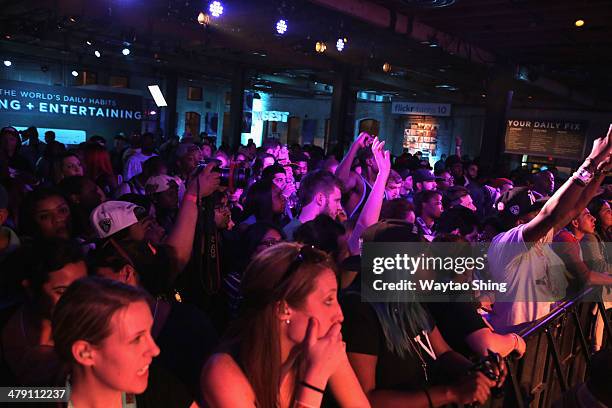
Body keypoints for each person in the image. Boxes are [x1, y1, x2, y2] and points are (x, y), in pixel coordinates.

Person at [341, 221, 498, 407]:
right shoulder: (360, 311)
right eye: (425, 259)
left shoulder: (410, 300)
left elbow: (443, 353)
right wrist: (449, 394)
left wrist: (478, 372)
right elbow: (363, 398)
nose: (432, 266)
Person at [201, 243, 369, 408]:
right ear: (283, 309)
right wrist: (315, 378)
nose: (340, 315)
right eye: (328, 301)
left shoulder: (325, 349)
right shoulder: (223, 373)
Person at [487, 128, 612, 332]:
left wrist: (602, 169)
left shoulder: (537, 241)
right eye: (534, 213)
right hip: (513, 337)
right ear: (519, 221)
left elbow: (575, 209)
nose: (540, 216)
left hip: (531, 336)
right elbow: (552, 215)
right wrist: (591, 160)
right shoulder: (508, 242)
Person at [52, 277, 161, 407]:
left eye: (150, 331)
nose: (155, 350)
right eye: (136, 339)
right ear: (84, 352)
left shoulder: (165, 392)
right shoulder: (33, 397)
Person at [0, 239, 87, 385]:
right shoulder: (5, 321)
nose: (77, 300)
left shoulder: (95, 334)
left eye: (82, 289)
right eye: (62, 292)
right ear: (30, 288)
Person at [283, 170, 343, 240]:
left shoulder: (326, 231)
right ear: (320, 199)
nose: (340, 208)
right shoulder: (290, 237)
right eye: (336, 200)